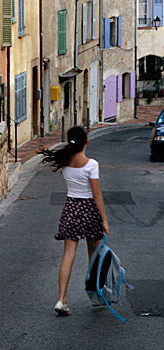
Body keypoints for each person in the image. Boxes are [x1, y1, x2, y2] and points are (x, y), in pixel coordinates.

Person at [41, 125, 109, 316]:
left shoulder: (65, 162)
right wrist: (104, 219)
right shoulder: (91, 165)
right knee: (93, 255)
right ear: (86, 141)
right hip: (89, 211)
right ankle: (96, 295)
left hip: (71, 209)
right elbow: (96, 194)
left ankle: (62, 299)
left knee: (68, 255)